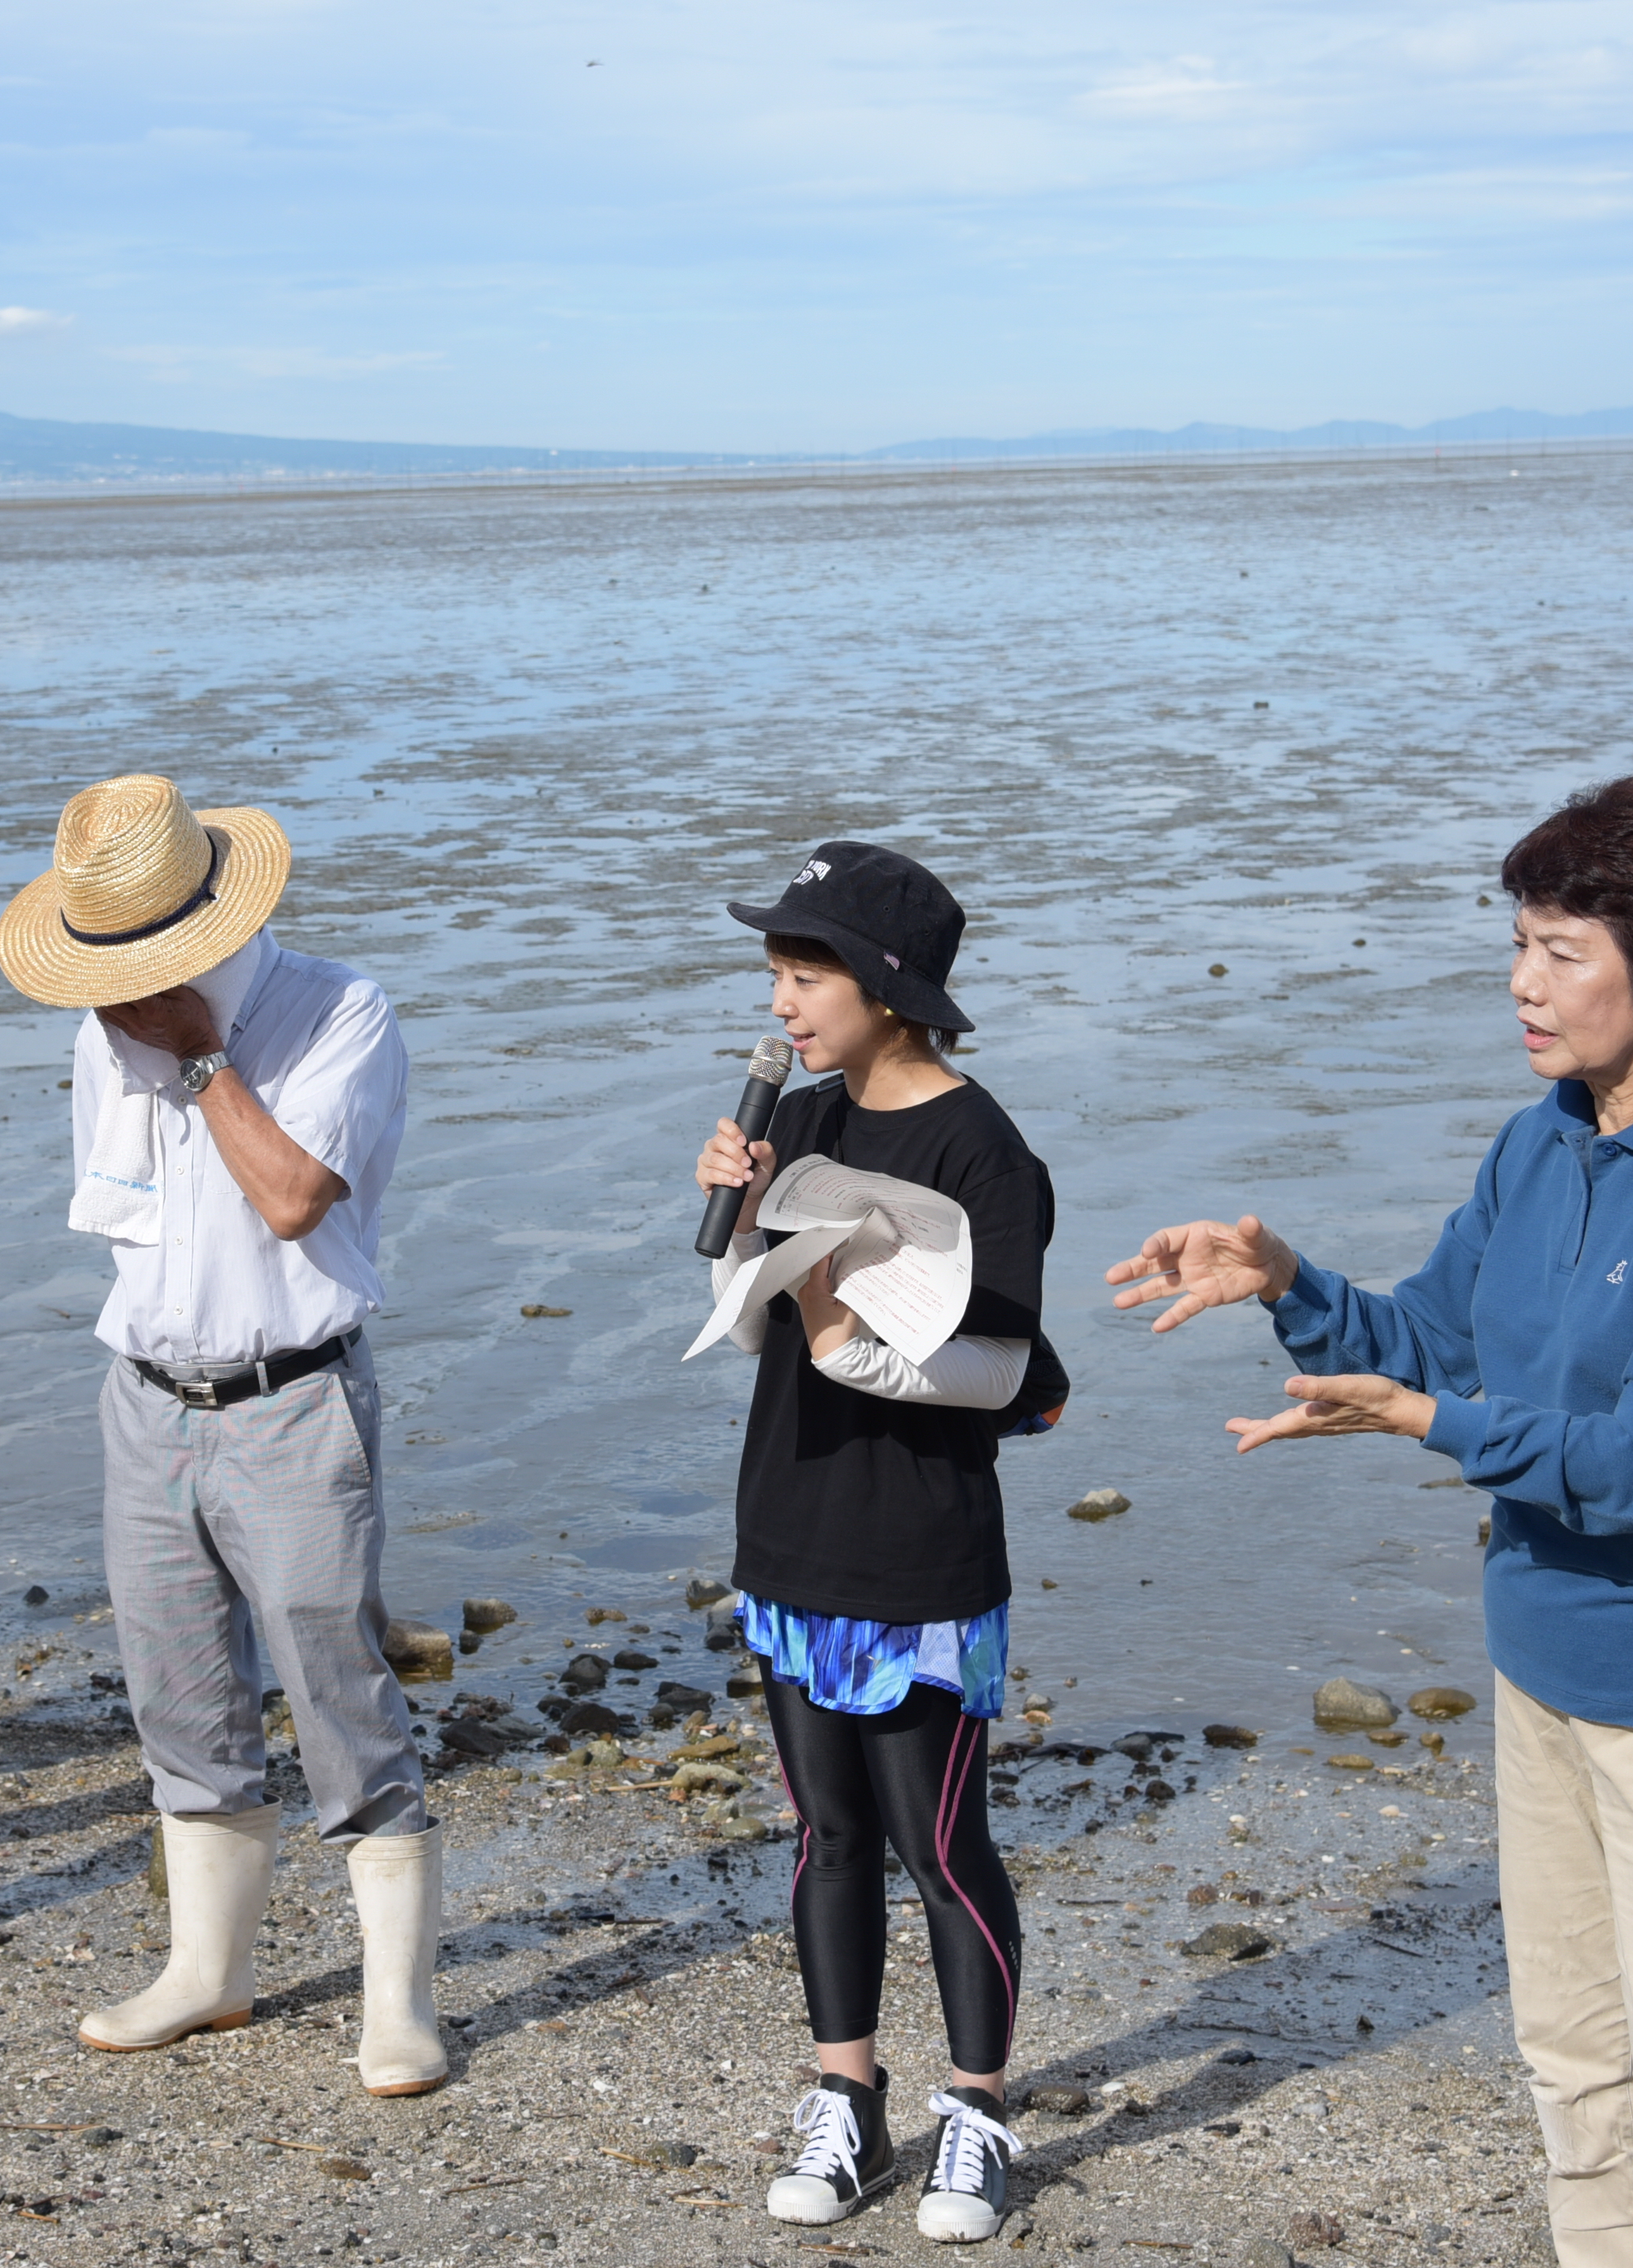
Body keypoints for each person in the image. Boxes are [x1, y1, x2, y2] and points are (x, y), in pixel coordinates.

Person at [1109, 773, 1633, 2268]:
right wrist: (1293, 1289)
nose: (1523, 984)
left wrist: (1432, 1428)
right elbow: (1443, 1346)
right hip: (1547, 1664)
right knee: (1577, 2077)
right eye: (1520, 942)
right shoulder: (1544, 1142)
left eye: (1564, 952)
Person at [0, 774, 439, 2097]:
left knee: (339, 1691)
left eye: (136, 960)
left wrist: (198, 1055)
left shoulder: (339, 1011)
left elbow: (296, 1199)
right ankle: (209, 1972)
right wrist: (146, 1036)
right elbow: (122, 1217)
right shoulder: (99, 1030)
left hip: (296, 1399)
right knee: (175, 1690)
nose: (113, 988)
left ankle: (399, 2005)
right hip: (144, 1399)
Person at [694, 842, 1054, 2247]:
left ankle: (978, 2112)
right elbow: (756, 1323)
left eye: (806, 975)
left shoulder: (985, 1150)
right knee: (826, 1833)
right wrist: (732, 1218)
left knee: (940, 1841)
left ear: (891, 988)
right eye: (776, 976)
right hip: (790, 1528)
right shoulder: (812, 1122)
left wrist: (848, 1339)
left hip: (919, 1556)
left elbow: (1008, 1371)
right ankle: (846, 2099)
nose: (783, 1005)